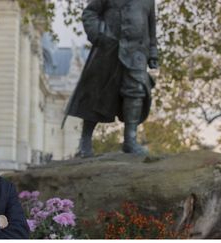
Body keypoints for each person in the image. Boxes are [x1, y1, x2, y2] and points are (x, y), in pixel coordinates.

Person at [63, 0, 158, 156]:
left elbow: (151, 27)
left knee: (136, 91)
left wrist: (153, 53)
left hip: (137, 52)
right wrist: (99, 34)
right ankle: (85, 141)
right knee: (96, 95)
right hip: (109, 48)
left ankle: (130, 141)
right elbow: (90, 13)